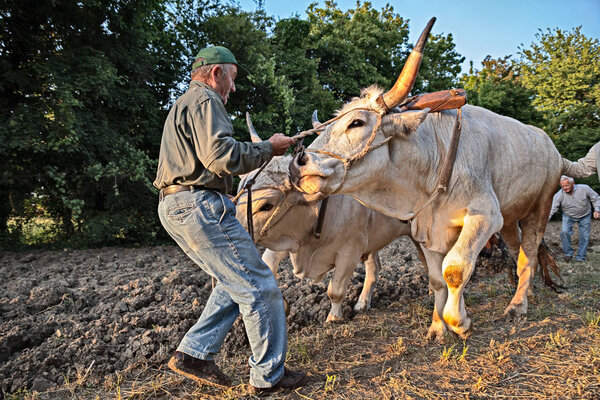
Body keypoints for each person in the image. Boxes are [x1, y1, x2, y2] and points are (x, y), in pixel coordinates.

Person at [153, 45, 305, 393]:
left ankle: (194, 354)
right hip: (200, 205)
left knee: (233, 281)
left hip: (175, 206)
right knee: (260, 286)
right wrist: (270, 147)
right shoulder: (207, 101)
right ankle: (269, 377)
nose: (233, 89)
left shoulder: (183, 105)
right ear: (216, 74)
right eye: (232, 79)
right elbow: (222, 157)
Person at [548, 176, 600, 262]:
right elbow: (552, 209)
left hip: (585, 214)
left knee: (584, 236)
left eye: (566, 185)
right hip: (568, 215)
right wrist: (545, 221)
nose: (564, 188)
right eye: (562, 186)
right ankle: (568, 253)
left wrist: (597, 210)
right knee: (564, 232)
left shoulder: (584, 188)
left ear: (573, 184)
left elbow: (596, 198)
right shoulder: (559, 195)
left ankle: (580, 257)